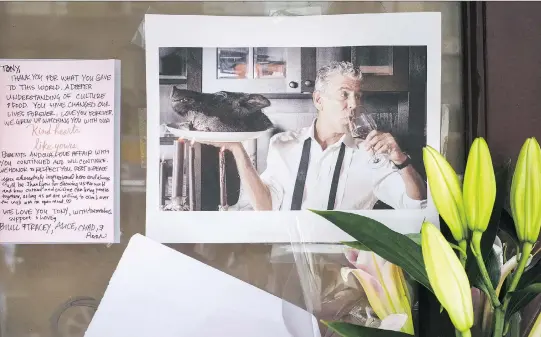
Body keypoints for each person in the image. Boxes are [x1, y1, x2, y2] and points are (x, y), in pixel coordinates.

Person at [211, 61, 427, 211]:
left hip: (344, 266)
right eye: (344, 94)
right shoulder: (282, 145)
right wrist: (238, 150)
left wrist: (402, 162)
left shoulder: (370, 154)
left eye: (357, 96)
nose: (353, 104)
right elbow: (265, 206)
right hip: (285, 261)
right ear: (318, 100)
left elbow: (416, 203)